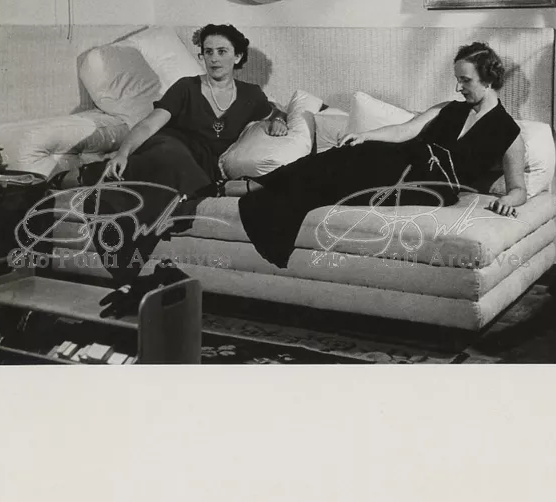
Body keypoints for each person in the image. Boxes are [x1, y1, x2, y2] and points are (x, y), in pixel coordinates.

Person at [238, 42, 527, 269]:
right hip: (398, 159)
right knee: (337, 157)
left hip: (427, 187)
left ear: (488, 80)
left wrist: (507, 202)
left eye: (465, 80)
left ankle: (251, 188)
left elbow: (518, 189)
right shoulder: (449, 108)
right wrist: (366, 135)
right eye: (457, 80)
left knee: (333, 179)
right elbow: (404, 130)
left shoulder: (508, 133)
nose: (457, 87)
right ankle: (253, 184)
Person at [78, 24, 287, 298]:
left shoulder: (251, 94)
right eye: (208, 52)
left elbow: (275, 111)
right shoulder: (186, 87)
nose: (214, 59)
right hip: (169, 147)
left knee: (171, 179)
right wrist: (122, 152)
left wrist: (278, 120)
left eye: (222, 51)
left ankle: (92, 178)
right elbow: (149, 124)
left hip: (201, 164)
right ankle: (125, 258)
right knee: (166, 163)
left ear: (237, 57)